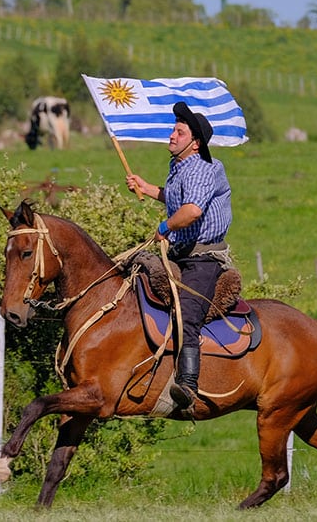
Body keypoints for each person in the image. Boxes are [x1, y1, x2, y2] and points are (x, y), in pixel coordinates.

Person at [125, 101, 234, 416]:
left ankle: (187, 385)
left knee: (187, 315)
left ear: (195, 142)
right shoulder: (181, 166)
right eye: (173, 129)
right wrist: (149, 188)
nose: (171, 136)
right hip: (181, 255)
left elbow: (192, 210)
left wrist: (165, 225)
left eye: (179, 132)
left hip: (203, 259)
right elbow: (178, 199)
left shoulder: (201, 166)